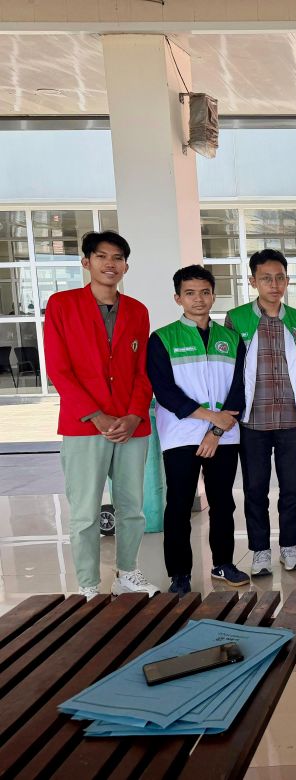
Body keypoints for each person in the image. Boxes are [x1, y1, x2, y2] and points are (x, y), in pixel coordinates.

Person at [43, 231, 159, 598]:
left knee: (132, 508)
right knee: (85, 512)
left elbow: (143, 371)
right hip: (84, 426)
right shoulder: (62, 305)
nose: (110, 264)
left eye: (118, 258)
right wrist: (95, 415)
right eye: (101, 256)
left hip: (130, 426)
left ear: (126, 266)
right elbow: (58, 369)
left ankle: (128, 572)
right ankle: (89, 584)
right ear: (86, 262)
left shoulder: (137, 310)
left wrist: (135, 415)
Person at [147, 265, 249, 595]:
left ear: (213, 296)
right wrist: (209, 418)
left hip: (224, 436)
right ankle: (179, 574)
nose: (198, 299)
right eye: (190, 293)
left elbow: (240, 387)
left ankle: (223, 563)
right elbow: (165, 391)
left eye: (205, 292)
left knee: (223, 502)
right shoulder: (162, 338)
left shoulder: (231, 339)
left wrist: (216, 431)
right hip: (181, 435)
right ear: (178, 298)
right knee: (178, 505)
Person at [225, 249, 296, 576]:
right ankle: (260, 550)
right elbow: (231, 370)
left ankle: (290, 547)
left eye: (280, 278)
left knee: (292, 488)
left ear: (287, 280)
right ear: (253, 281)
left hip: (291, 418)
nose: (274, 285)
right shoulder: (237, 318)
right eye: (266, 278)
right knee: (255, 489)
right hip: (252, 420)